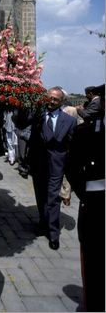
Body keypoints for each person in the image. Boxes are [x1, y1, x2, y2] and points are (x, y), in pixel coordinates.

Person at [13, 87, 77, 250]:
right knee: (41, 197)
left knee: (52, 199)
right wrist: (22, 103)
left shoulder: (69, 121)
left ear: (61, 101)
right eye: (48, 98)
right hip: (38, 163)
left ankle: (53, 234)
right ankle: (43, 224)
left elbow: (71, 146)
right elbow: (20, 123)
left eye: (55, 99)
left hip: (56, 165)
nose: (51, 101)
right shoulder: (37, 116)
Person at [66, 84, 105, 312]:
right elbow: (72, 168)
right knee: (95, 266)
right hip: (96, 208)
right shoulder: (87, 133)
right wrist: (89, 196)